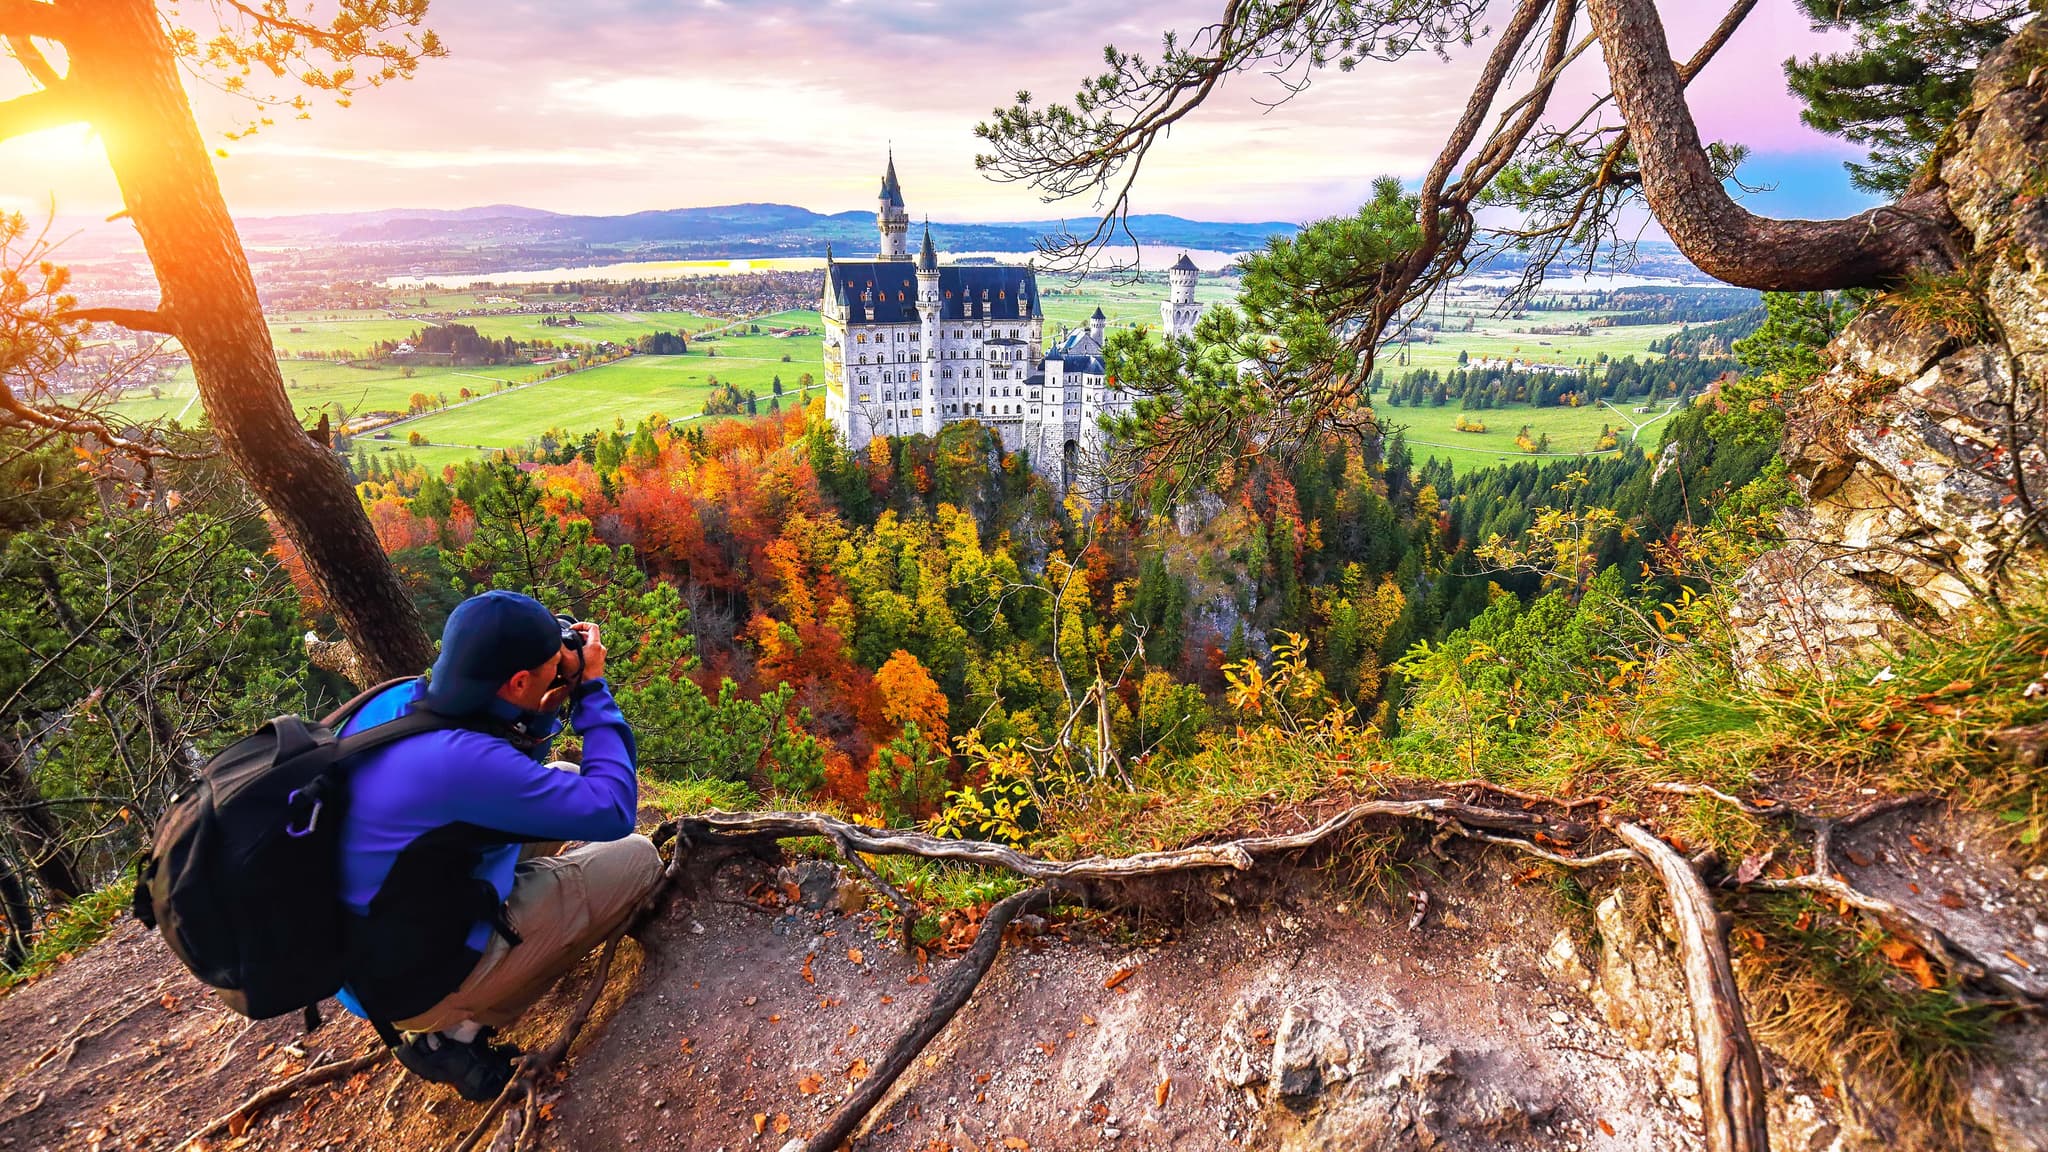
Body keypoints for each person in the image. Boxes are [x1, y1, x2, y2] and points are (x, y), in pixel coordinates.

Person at [333, 590, 663, 1101]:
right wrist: (591, 690)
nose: (563, 670)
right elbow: (614, 808)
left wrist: (537, 709)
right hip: (413, 979)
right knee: (639, 858)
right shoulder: (459, 765)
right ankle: (452, 1033)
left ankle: (460, 991)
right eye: (553, 665)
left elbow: (508, 769)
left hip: (371, 936)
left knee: (564, 776)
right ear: (516, 682)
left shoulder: (401, 699)